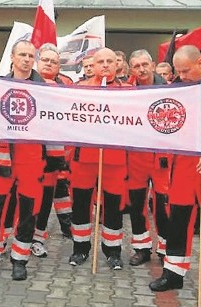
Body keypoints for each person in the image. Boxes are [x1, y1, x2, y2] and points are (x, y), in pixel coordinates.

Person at [0, 40, 65, 280]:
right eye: (22, 54)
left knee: (27, 213)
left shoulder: (44, 87)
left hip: (32, 160)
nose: (26, 59)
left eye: (30, 56)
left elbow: (54, 125)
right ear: (12, 57)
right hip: (2, 159)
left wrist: (55, 157)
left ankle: (19, 260)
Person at [148, 45, 201, 305]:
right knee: (178, 226)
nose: (182, 75)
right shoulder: (172, 91)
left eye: (186, 70)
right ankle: (173, 273)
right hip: (181, 173)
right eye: (178, 71)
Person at [66, 48, 130, 270]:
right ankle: (80, 248)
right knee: (81, 205)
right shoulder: (80, 89)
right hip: (84, 157)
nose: (105, 65)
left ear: (117, 64)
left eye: (109, 61)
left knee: (113, 207)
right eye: (100, 61)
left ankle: (112, 251)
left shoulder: (129, 92)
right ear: (92, 65)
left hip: (115, 158)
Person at [125, 49, 171, 266]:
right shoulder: (126, 91)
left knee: (163, 205)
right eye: (136, 66)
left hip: (163, 157)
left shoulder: (171, 91)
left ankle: (164, 248)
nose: (141, 69)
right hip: (136, 156)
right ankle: (141, 247)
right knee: (137, 205)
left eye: (145, 64)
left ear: (153, 65)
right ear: (130, 69)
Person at [31, 43, 73, 258]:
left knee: (46, 198)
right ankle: (19, 238)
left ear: (59, 66)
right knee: (27, 198)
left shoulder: (66, 87)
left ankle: (38, 238)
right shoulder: (23, 82)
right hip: (27, 153)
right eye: (45, 60)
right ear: (38, 61)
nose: (49, 64)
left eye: (53, 62)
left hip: (54, 154)